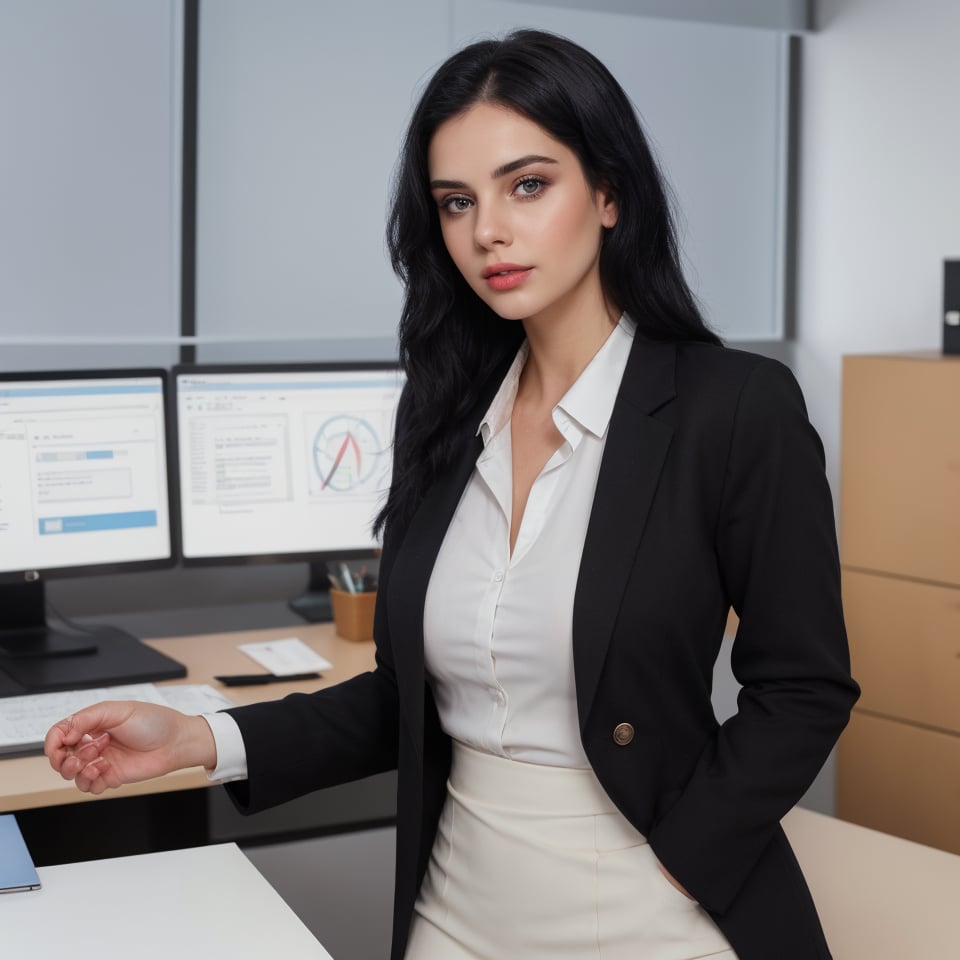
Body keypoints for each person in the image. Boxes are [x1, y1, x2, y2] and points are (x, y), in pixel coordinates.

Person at [46, 29, 859, 960]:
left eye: (527, 185)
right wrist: (197, 737)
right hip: (456, 912)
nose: (487, 233)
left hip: (653, 902)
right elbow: (407, 702)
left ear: (609, 193)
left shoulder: (732, 407)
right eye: (456, 202)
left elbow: (804, 685)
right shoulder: (443, 413)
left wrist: (683, 856)